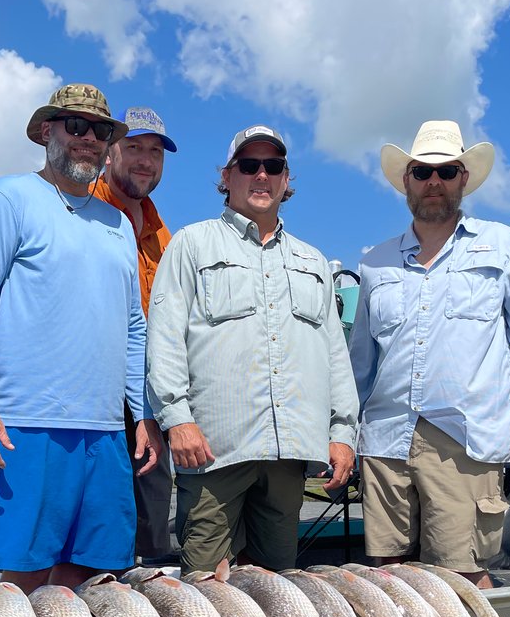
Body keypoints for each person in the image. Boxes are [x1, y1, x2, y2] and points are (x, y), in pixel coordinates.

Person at [0, 83, 163, 593]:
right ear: (48, 131)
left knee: (88, 576)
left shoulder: (117, 224)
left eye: (101, 130)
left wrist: (145, 414)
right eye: (77, 125)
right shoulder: (6, 199)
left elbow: (134, 326)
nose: (89, 138)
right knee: (23, 578)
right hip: (26, 427)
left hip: (107, 433)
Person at [348, 119, 510, 588]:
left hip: (466, 438)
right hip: (385, 439)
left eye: (446, 172)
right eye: (422, 172)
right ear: (406, 180)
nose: (434, 183)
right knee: (389, 575)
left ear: (463, 179)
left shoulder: (502, 244)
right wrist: (344, 431)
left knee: (463, 574)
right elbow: (360, 363)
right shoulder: (375, 261)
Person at [147, 125, 358, 575]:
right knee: (203, 584)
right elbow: (164, 338)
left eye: (273, 166)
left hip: (289, 455)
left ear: (286, 180)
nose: (261, 175)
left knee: (276, 585)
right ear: (227, 177)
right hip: (213, 449)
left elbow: (334, 355)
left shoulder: (314, 262)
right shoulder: (191, 243)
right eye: (249, 166)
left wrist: (342, 433)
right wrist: (178, 420)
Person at [92, 106, 177, 562]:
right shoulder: (79, 214)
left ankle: (152, 610)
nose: (146, 159)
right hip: (94, 395)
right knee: (97, 519)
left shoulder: (168, 238)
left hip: (151, 398)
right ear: (108, 153)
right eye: (134, 147)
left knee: (152, 516)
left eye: (156, 152)